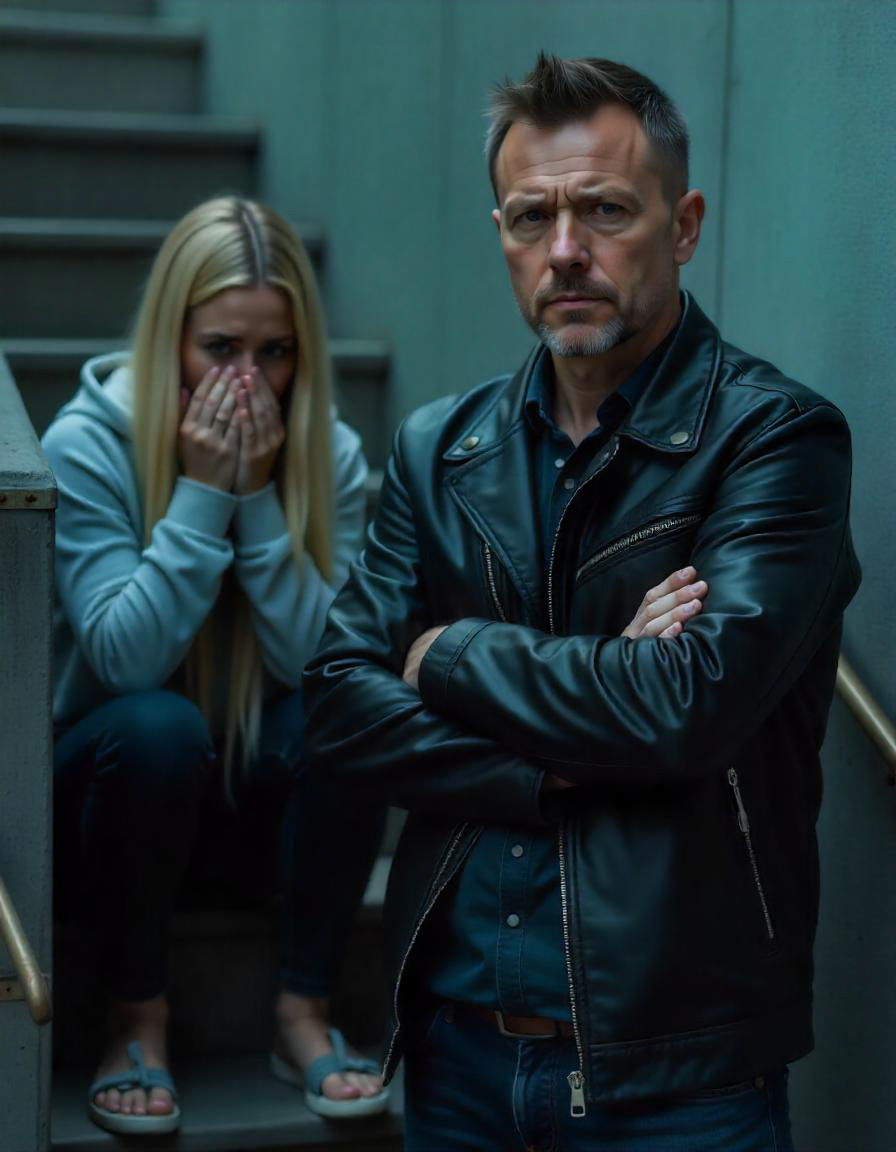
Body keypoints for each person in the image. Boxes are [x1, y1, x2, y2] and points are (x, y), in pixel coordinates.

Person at [303, 53, 861, 1151]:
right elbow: (336, 705)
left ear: (682, 226)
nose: (564, 250)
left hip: (679, 1070)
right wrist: (561, 752)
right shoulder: (438, 449)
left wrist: (449, 655)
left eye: (604, 210)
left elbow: (685, 708)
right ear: (502, 235)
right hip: (455, 1051)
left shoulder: (774, 438)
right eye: (531, 217)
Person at [43, 196, 389, 1137]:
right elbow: (125, 661)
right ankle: (135, 1019)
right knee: (159, 726)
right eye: (220, 349)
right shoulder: (88, 444)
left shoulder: (329, 454)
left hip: (240, 816)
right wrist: (202, 495)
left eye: (274, 353)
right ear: (172, 339)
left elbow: (322, 664)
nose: (247, 382)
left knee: (357, 705)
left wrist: (260, 502)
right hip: (108, 814)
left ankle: (302, 1011)